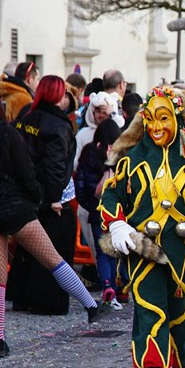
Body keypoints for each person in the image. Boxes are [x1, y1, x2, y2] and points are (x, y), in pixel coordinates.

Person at [99, 85, 185, 368]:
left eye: (164, 118)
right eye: (151, 119)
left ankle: (181, 363)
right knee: (149, 305)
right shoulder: (131, 161)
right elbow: (111, 194)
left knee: (181, 307)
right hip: (145, 248)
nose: (157, 127)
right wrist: (116, 224)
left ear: (178, 120)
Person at [0, 94, 99, 358]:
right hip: (17, 210)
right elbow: (26, 172)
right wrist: (35, 199)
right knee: (53, 260)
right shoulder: (9, 134)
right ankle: (90, 305)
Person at [9, 76, 101, 319]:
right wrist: (53, 198)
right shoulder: (59, 126)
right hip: (47, 197)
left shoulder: (26, 117)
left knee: (24, 251)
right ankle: (50, 301)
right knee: (53, 252)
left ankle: (21, 297)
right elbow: (56, 167)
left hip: (23, 192)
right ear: (58, 96)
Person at [74, 119, 124, 306]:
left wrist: (89, 205)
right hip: (118, 212)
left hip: (97, 212)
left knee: (103, 251)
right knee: (118, 250)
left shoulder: (89, 152)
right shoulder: (123, 154)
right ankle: (119, 288)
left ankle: (106, 285)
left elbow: (80, 184)